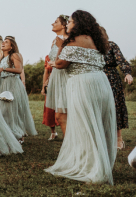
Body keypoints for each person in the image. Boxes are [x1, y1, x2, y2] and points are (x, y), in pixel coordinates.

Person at [45, 10, 116, 184]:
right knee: (98, 122)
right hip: (100, 82)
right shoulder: (97, 41)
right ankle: (101, 163)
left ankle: (91, 166)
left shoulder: (73, 40)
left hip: (82, 84)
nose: (68, 24)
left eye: (69, 22)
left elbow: (61, 63)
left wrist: (63, 43)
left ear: (77, 23)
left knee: (85, 124)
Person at [0, 36, 37, 143]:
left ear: (11, 46)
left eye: (6, 42)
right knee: (6, 110)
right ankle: (10, 133)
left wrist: (3, 68)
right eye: (2, 41)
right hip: (4, 84)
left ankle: (19, 136)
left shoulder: (14, 55)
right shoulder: (2, 58)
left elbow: (19, 69)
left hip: (13, 83)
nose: (3, 43)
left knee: (15, 109)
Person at [101, 27, 133, 150]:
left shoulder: (111, 45)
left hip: (111, 79)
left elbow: (121, 60)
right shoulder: (91, 47)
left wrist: (127, 73)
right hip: (96, 79)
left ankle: (119, 139)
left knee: (115, 107)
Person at [43, 15, 69, 139]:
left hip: (65, 77)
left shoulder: (69, 40)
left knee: (66, 112)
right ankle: (69, 140)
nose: (52, 24)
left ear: (64, 25)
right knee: (59, 114)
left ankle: (71, 141)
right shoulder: (54, 40)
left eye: (55, 22)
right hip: (56, 76)